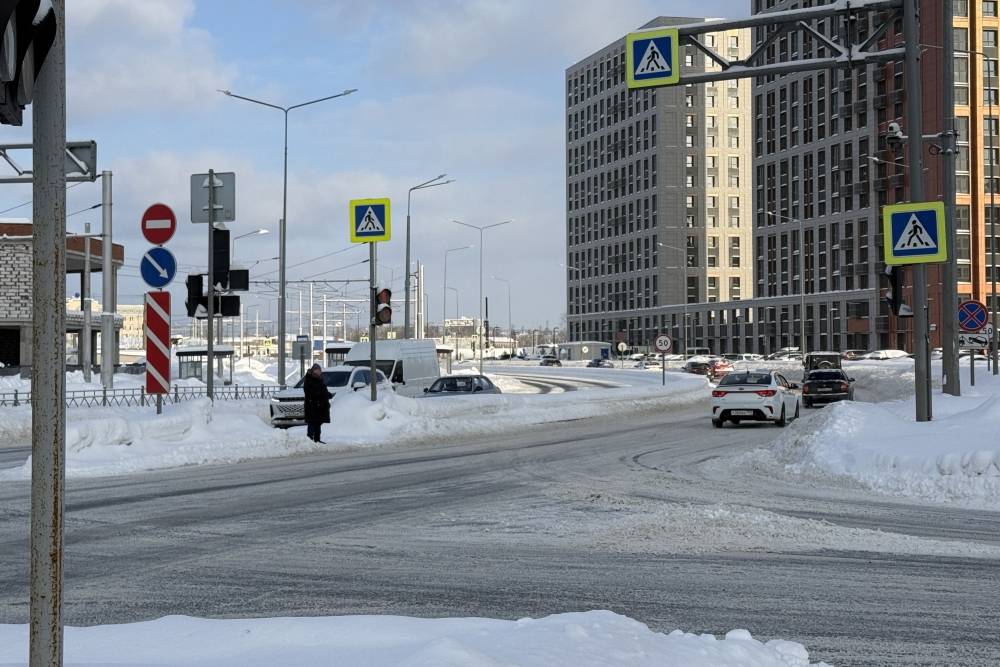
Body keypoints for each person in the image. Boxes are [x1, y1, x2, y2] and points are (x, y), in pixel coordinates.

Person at [302, 363, 331, 443]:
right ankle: (310, 439)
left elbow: (323, 390)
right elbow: (310, 392)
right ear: (313, 371)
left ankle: (317, 439)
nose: (319, 372)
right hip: (312, 406)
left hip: (320, 406)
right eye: (317, 370)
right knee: (312, 422)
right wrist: (319, 397)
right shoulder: (309, 379)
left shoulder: (320, 379)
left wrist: (328, 395)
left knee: (318, 423)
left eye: (319, 370)